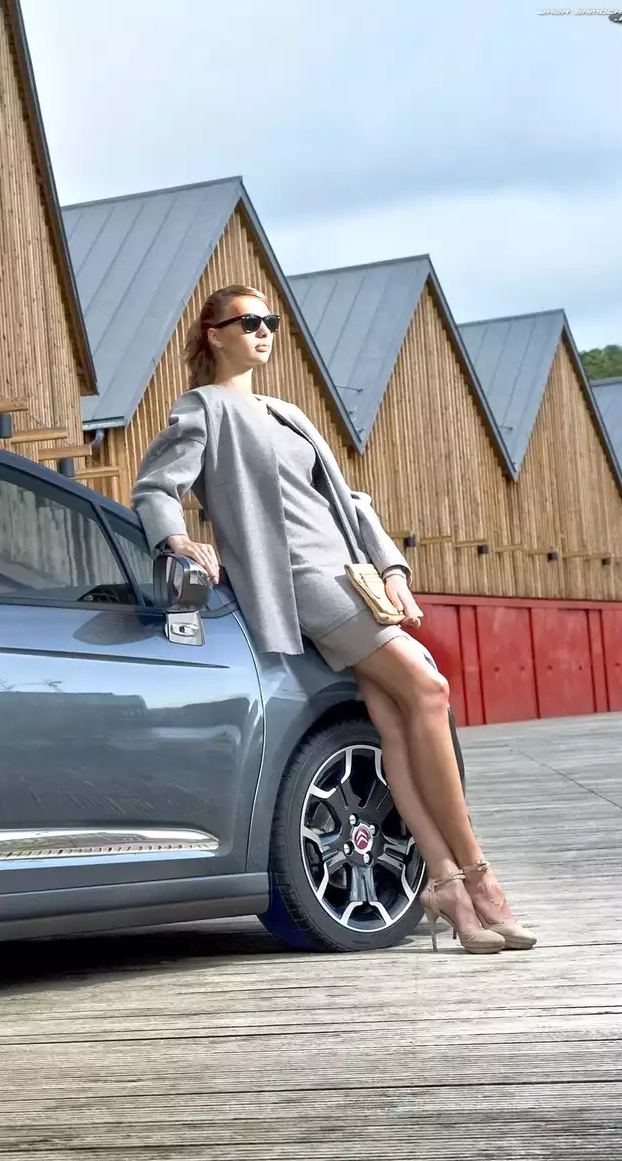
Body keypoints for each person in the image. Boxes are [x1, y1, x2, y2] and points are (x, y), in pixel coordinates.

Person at [131, 284, 535, 955]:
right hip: (302, 579)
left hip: (351, 574)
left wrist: (393, 568)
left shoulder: (286, 412)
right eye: (248, 321)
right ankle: (481, 875)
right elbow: (156, 484)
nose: (264, 330)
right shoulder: (202, 408)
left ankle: (444, 885)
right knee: (428, 689)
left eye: (270, 320)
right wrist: (175, 538)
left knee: (397, 723)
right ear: (214, 334)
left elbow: (350, 500)